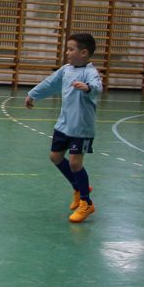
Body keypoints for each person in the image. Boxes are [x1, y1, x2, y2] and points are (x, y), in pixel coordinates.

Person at [25, 33, 101, 223]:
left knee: (75, 163)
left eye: (71, 49)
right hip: (63, 124)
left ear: (84, 53)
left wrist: (87, 87)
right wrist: (33, 94)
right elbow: (50, 83)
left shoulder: (90, 72)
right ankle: (79, 188)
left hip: (81, 127)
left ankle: (86, 203)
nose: (67, 52)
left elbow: (97, 86)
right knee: (55, 157)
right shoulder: (66, 70)